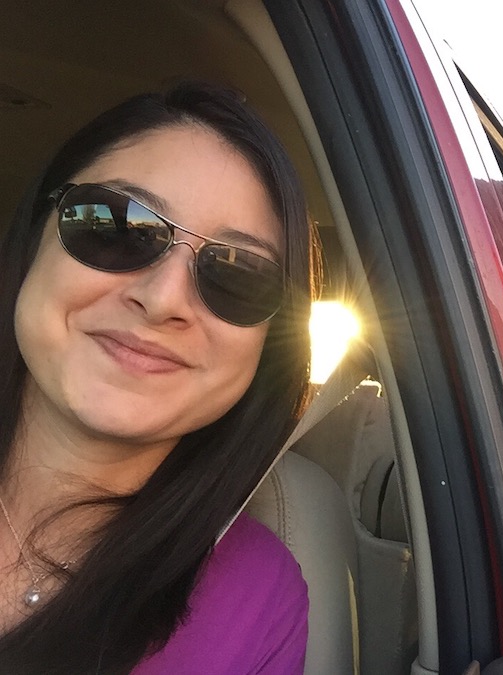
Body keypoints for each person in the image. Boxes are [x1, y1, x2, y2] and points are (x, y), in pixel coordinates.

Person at [0, 82, 316, 673]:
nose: (163, 297)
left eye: (238, 274)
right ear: (32, 238)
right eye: (116, 226)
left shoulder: (260, 603)